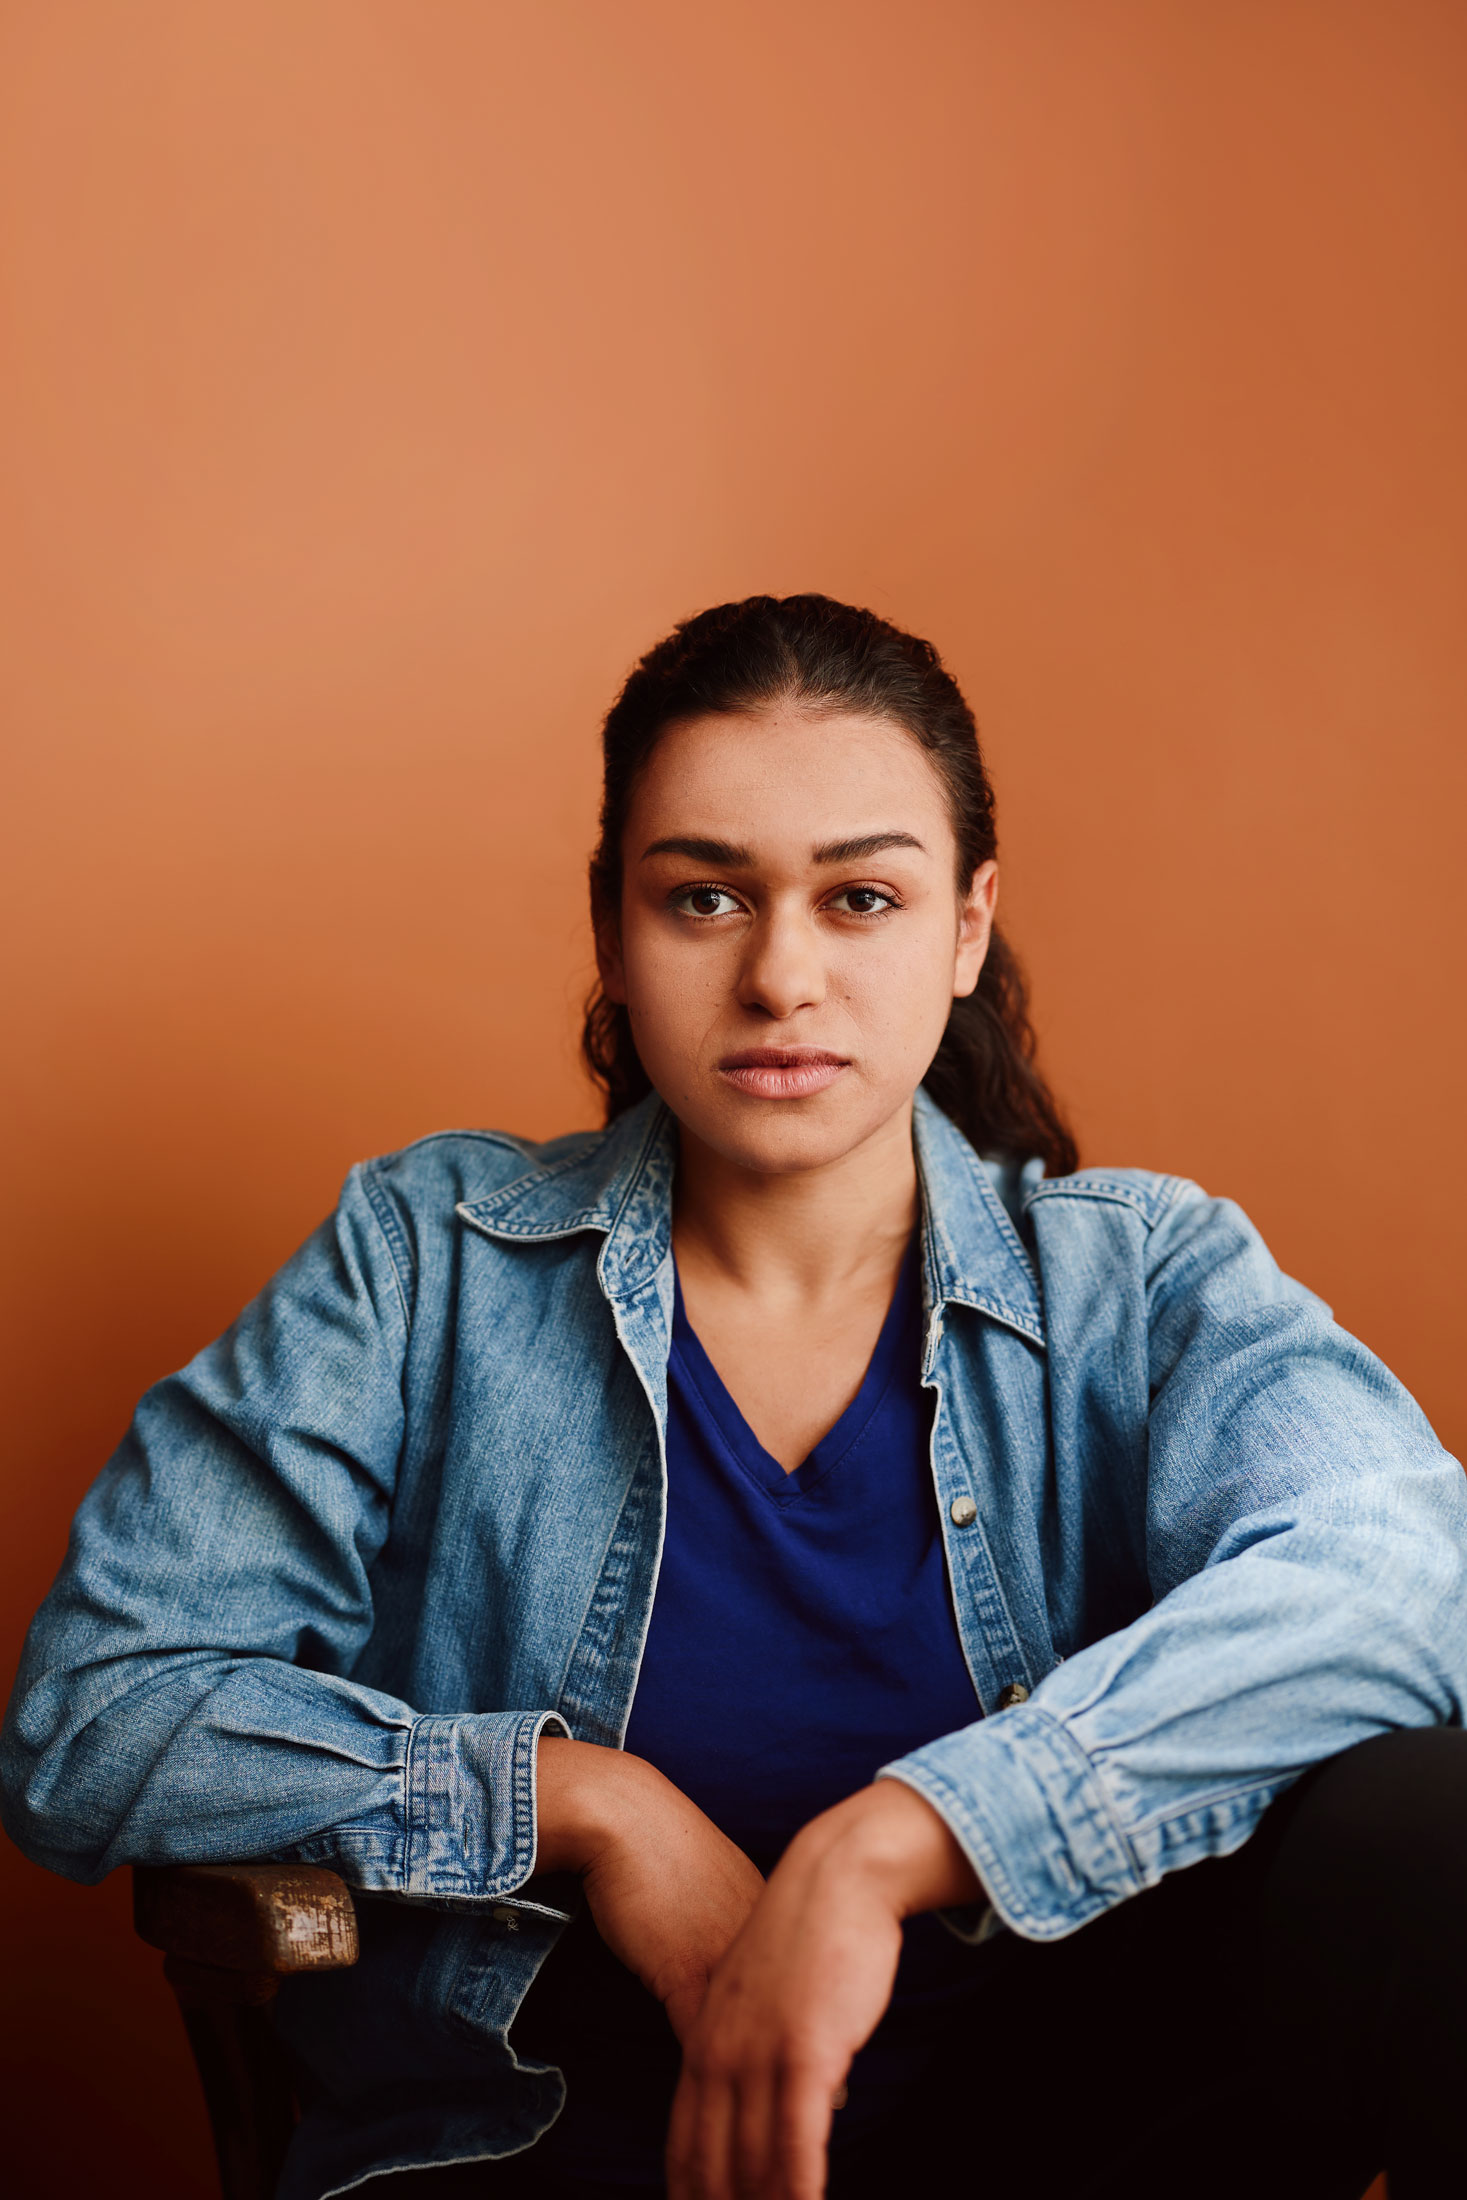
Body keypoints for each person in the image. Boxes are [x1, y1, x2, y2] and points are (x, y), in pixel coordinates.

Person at [4, 594, 1466, 2200]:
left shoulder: (1138, 1280)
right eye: (707, 896)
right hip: (541, 2155)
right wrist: (591, 1811)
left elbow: (1413, 1574)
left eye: (862, 898)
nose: (783, 975)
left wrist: (896, 1841)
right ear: (613, 929)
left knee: (1430, 1817)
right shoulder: (425, 1261)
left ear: (966, 928)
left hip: (1057, 2148)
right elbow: (95, 1713)